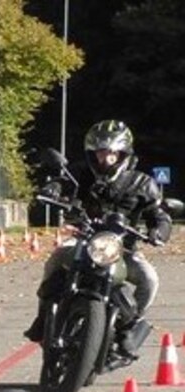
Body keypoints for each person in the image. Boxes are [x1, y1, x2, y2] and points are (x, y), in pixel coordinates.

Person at [24, 119, 172, 357]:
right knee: (56, 259)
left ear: (124, 154)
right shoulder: (79, 173)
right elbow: (62, 183)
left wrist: (159, 232)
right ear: (92, 153)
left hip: (123, 248)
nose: (106, 158)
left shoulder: (143, 183)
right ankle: (43, 318)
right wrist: (53, 189)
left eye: (113, 153)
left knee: (149, 279)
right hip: (84, 239)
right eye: (101, 152)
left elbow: (160, 215)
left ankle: (128, 327)